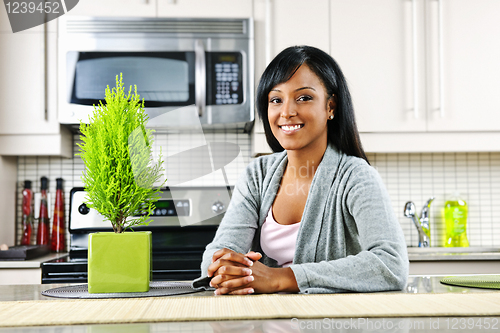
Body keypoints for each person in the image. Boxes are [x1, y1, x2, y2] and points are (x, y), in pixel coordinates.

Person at [192, 45, 408, 295]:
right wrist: (224, 269)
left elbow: (391, 264)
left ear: (330, 107)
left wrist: (281, 278)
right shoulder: (258, 175)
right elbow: (218, 254)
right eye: (276, 99)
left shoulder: (355, 176)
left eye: (304, 98)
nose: (287, 112)